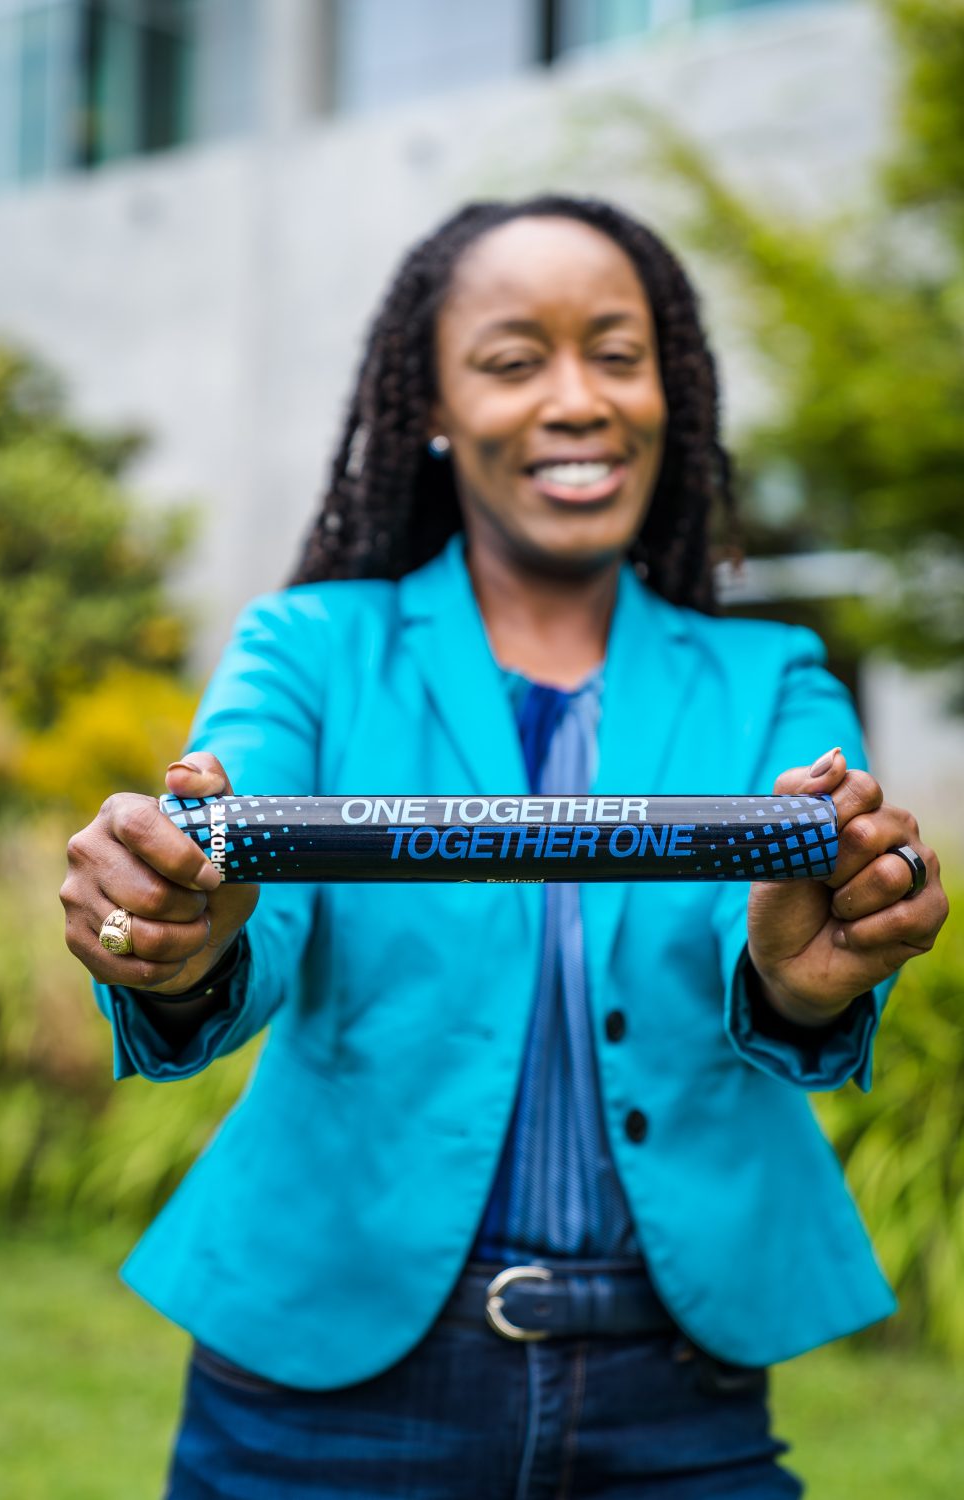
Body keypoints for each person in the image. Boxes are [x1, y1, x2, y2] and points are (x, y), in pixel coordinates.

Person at [62, 196, 948, 1499]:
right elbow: (250, 887)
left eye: (617, 352)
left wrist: (802, 970)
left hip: (677, 1395)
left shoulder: (775, 675)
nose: (579, 397)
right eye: (514, 359)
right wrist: (180, 928)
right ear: (430, 402)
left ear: (672, 391)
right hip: (325, 1385)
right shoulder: (307, 650)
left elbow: (774, 914)